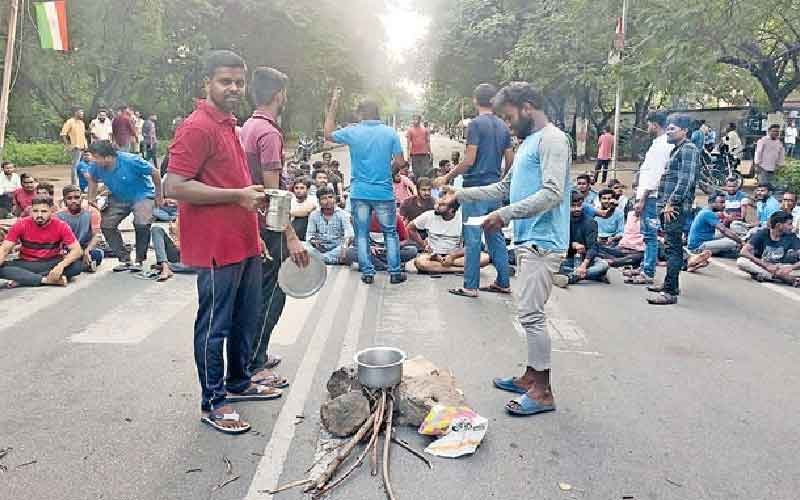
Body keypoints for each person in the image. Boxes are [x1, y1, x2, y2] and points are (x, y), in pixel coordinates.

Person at [166, 50, 281, 435]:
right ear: (207, 84)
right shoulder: (197, 127)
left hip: (243, 242)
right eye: (225, 81)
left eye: (238, 82)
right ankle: (213, 402)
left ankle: (239, 381)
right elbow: (174, 186)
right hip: (215, 247)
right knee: (215, 326)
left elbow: (236, 184)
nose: (233, 88)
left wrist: (254, 233)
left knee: (245, 319)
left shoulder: (230, 124)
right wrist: (235, 197)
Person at [441, 82, 571, 417]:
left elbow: (553, 193)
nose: (508, 124)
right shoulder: (529, 142)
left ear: (528, 107)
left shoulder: (553, 140)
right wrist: (461, 195)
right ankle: (530, 376)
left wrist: (504, 214)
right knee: (528, 312)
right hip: (529, 238)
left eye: (510, 117)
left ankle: (542, 391)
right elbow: (504, 187)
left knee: (531, 314)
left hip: (544, 241)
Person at [240, 66, 308, 391]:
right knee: (273, 294)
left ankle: (257, 354)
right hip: (267, 226)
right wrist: (291, 237)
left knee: (257, 294)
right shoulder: (269, 134)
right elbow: (274, 196)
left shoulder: (246, 127)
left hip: (249, 221)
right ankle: (254, 365)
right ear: (279, 94)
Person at [434, 83, 514, 298]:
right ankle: (503, 282)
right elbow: (510, 161)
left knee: (472, 238)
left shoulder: (475, 125)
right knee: (494, 235)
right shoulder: (503, 126)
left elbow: (469, 160)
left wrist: (447, 177)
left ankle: (470, 286)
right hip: (495, 189)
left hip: (475, 188)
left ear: (474, 100)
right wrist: (502, 183)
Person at [325, 92, 407, 285]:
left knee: (362, 234)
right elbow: (401, 161)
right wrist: (388, 172)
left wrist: (334, 105)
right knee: (390, 233)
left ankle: (367, 272)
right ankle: (395, 272)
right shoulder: (390, 133)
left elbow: (327, 134)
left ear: (362, 113)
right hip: (384, 192)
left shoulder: (353, 132)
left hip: (360, 192)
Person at [647, 114, 701, 305]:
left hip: (674, 208)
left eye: (672, 129)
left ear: (685, 131)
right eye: (668, 128)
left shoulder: (688, 149)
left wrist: (672, 203)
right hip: (666, 206)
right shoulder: (676, 150)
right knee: (670, 246)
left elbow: (685, 180)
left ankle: (670, 292)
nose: (668, 132)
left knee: (673, 249)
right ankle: (671, 284)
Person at [86, 141, 162, 272]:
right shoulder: (95, 166)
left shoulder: (131, 160)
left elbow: (155, 172)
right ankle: (124, 258)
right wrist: (91, 198)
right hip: (118, 197)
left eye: (96, 156)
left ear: (108, 157)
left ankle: (139, 259)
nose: (93, 159)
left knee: (142, 223)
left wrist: (159, 195)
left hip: (142, 194)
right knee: (106, 225)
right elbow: (92, 179)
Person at [0, 195, 83, 287]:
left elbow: (77, 250)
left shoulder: (61, 225)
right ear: (31, 210)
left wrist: (60, 266)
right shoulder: (21, 224)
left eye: (44, 211)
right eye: (35, 211)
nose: (39, 215)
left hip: (52, 262)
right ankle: (46, 280)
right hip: (27, 263)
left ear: (52, 211)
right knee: (2, 268)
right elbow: (4, 249)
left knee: (77, 265)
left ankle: (27, 279)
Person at [408, 197, 482, 274]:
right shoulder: (429, 215)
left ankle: (437, 268)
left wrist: (452, 256)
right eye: (437, 203)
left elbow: (471, 245)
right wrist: (424, 246)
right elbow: (410, 228)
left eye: (441, 205)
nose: (436, 206)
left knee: (484, 258)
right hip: (433, 256)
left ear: (451, 210)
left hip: (456, 257)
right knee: (419, 262)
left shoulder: (463, 218)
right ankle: (460, 270)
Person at [556, 191, 610, 285]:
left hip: (586, 259)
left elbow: (593, 248)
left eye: (579, 205)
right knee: (553, 265)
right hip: (567, 258)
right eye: (573, 206)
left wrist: (584, 265)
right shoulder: (561, 221)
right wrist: (571, 244)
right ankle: (593, 275)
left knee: (603, 265)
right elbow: (556, 241)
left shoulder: (590, 222)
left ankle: (571, 277)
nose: (577, 209)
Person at [736, 211, 800, 285]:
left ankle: (768, 276)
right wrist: (766, 265)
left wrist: (791, 267)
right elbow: (744, 251)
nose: (792, 227)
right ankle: (783, 278)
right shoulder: (763, 234)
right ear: (779, 225)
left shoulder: (791, 237)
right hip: (762, 265)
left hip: (780, 267)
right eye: (789, 224)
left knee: (786, 270)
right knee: (741, 262)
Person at [685, 194, 743, 270]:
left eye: (724, 202)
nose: (724, 205)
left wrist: (727, 220)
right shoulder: (708, 213)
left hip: (703, 240)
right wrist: (741, 242)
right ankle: (699, 255)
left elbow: (723, 229)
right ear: (712, 203)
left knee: (732, 234)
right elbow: (724, 230)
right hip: (698, 246)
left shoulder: (706, 211)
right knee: (732, 242)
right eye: (721, 202)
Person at [345, 213, 417, 271]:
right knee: (350, 252)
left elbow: (405, 240)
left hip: (388, 252)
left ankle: (376, 264)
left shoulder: (396, 217)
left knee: (412, 250)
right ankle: (385, 266)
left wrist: (395, 245)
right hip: (371, 252)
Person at [57, 185, 103, 272]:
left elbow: (97, 236)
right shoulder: (58, 216)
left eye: (77, 197)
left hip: (85, 248)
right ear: (64, 200)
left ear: (81, 198)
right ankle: (82, 266)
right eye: (69, 198)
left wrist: (87, 251)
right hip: (67, 249)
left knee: (98, 254)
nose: (73, 201)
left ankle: (76, 265)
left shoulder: (92, 212)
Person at [306, 187, 353, 264]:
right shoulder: (314, 214)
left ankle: (320, 260)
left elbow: (349, 234)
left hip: (337, 247)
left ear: (335, 199)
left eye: (330, 197)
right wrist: (314, 241)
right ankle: (330, 260)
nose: (328, 201)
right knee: (305, 247)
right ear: (319, 201)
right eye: (324, 198)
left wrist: (344, 247)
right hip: (321, 246)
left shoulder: (343, 214)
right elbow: (309, 235)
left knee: (349, 251)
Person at [61, 107, 87, 184]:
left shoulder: (82, 123)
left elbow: (83, 135)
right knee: (75, 166)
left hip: (83, 147)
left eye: (83, 112)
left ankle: (82, 183)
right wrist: (68, 145)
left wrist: (86, 145)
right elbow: (63, 134)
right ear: (76, 113)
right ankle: (74, 184)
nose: (82, 114)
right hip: (75, 147)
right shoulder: (70, 122)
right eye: (80, 112)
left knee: (82, 166)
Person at [406, 115, 433, 179]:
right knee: (416, 172)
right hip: (414, 154)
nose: (414, 121)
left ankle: (423, 186)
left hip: (424, 154)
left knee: (425, 172)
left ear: (419, 120)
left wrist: (430, 153)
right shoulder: (410, 130)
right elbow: (408, 143)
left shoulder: (425, 130)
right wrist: (408, 155)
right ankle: (417, 186)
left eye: (416, 119)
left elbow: (428, 142)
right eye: (413, 119)